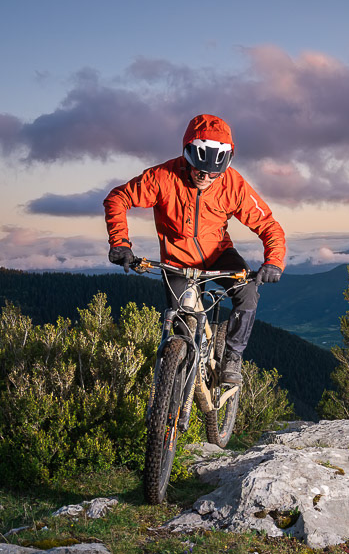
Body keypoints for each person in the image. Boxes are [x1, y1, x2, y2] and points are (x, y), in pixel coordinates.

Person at [104, 113, 286, 386]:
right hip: (176, 261)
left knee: (248, 292)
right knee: (181, 329)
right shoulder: (163, 177)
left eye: (214, 173)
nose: (206, 177)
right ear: (187, 158)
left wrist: (274, 261)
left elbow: (268, 225)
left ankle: (233, 356)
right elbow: (118, 198)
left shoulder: (233, 184)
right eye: (200, 171)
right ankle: (175, 393)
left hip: (219, 256)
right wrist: (120, 242)